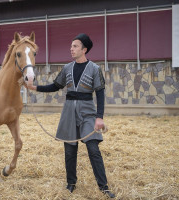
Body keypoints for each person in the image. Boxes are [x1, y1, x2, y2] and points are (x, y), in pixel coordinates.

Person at [26, 33, 115, 198]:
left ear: (84, 49)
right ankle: (71, 184)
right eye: (71, 46)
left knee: (93, 149)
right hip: (68, 113)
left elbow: (100, 94)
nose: (71, 49)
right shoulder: (67, 68)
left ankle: (104, 187)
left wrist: (99, 117)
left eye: (75, 46)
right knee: (69, 151)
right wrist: (35, 88)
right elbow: (55, 86)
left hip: (88, 112)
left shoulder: (95, 69)